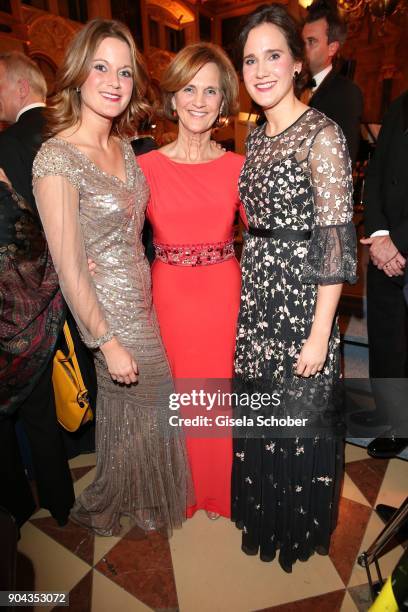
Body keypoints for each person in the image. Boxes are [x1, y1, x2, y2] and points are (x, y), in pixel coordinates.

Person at [32, 19, 192, 537]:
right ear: (78, 74)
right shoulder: (56, 157)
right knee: (154, 394)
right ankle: (125, 494)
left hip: (141, 294)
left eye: (124, 71)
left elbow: (129, 228)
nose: (114, 81)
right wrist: (105, 340)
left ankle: (132, 493)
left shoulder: (124, 148)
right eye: (101, 67)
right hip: (105, 310)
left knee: (131, 407)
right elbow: (68, 263)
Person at [232, 4, 357, 572]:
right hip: (259, 297)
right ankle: (265, 515)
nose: (260, 70)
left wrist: (319, 333)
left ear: (298, 61)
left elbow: (334, 246)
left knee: (300, 421)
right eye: (250, 59)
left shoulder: (322, 135)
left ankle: (296, 526)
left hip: (304, 301)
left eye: (273, 55)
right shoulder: (256, 138)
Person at [137, 43, 244, 520]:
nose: (198, 100)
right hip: (170, 298)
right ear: (173, 98)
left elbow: (270, 239)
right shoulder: (144, 169)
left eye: (210, 91)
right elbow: (114, 239)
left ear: (223, 103)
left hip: (224, 296)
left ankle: (220, 488)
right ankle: (180, 486)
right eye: (188, 89)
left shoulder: (239, 168)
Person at [0, 52, 74, 528]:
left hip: (19, 298)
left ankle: (18, 504)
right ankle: (61, 502)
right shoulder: (70, 133)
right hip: (69, 288)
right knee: (48, 397)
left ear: (21, 87)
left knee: (10, 408)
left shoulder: (7, 145)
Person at [354, 90, 408, 458]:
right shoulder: (400, 104)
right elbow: (375, 174)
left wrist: (399, 241)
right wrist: (378, 234)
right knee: (387, 341)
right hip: (384, 243)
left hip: (401, 243)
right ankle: (393, 417)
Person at [302, 0, 363, 164]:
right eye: (302, 42)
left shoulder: (347, 93)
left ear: (332, 48)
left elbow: (343, 159)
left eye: (311, 42)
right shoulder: (293, 86)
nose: (303, 48)